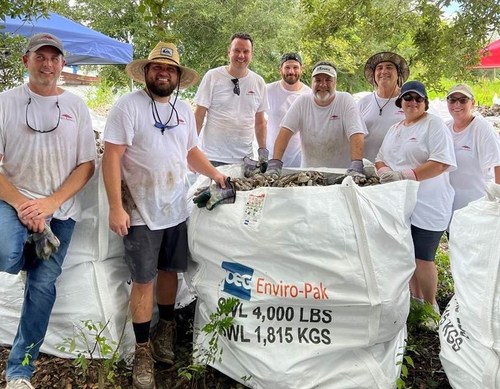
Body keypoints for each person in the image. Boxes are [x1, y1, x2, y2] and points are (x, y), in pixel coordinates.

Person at [102, 41, 226, 389]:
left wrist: (215, 174)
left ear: (177, 76)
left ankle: (166, 331)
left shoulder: (183, 110)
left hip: (175, 206)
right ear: (147, 71)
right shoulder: (127, 107)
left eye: (170, 69)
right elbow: (111, 158)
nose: (163, 72)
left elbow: (190, 152)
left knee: (171, 271)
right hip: (140, 211)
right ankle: (142, 350)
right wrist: (115, 206)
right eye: (158, 67)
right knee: (143, 279)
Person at [0, 33, 96, 388]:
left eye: (55, 58)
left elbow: (87, 164)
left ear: (62, 64)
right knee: (5, 254)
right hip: (14, 202)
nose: (48, 64)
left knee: (42, 287)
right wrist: (24, 206)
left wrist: (50, 204)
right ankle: (26, 251)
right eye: (41, 57)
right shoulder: (5, 102)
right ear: (26, 61)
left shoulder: (76, 106)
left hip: (59, 211)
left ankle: (20, 370)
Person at [375, 80, 456, 321]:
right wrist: (383, 172)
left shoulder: (434, 125)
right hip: (401, 203)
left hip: (429, 203)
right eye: (408, 98)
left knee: (423, 257)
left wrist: (406, 175)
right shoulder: (396, 128)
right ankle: (415, 300)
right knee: (407, 254)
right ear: (400, 102)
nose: (412, 102)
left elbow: (441, 162)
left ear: (425, 103)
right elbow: (380, 157)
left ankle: (431, 308)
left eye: (418, 99)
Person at [273, 61, 366, 172]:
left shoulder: (345, 100)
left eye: (328, 80)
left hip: (341, 174)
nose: (322, 85)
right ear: (312, 82)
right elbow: (285, 132)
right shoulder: (302, 101)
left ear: (335, 82)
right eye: (318, 80)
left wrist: (356, 163)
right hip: (309, 174)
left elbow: (356, 133)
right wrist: (275, 162)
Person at [194, 32, 269, 168]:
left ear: (251, 54)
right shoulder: (212, 76)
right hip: (212, 158)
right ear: (229, 52)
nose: (241, 55)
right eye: (237, 50)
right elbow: (199, 115)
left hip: (245, 159)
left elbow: (260, 122)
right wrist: (190, 150)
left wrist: (263, 152)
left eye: (246, 51)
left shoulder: (258, 82)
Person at [445, 83, 500, 213]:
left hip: (476, 206)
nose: (457, 105)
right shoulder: (444, 127)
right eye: (452, 100)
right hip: (449, 206)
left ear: (473, 103)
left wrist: (497, 202)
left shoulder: (482, 128)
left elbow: (498, 163)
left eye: (463, 100)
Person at [358, 52, 410, 162]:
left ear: (398, 74)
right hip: (367, 168)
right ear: (374, 75)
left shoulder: (410, 102)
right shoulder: (363, 103)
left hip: (400, 169)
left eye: (389, 67)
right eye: (379, 68)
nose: (384, 71)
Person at [266, 52, 311, 167]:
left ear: (302, 69)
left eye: (295, 67)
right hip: (271, 159)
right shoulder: (267, 91)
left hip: (300, 161)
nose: (291, 71)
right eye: (287, 67)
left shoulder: (309, 95)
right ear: (280, 69)